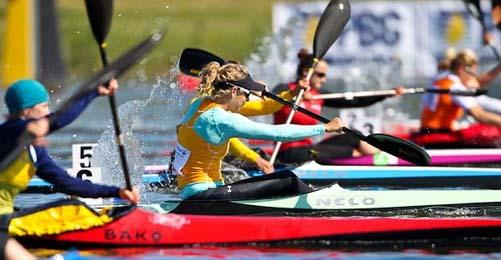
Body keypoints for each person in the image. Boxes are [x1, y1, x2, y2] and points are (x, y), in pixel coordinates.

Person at [173, 62, 344, 200]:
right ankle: (325, 204)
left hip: (197, 190)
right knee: (286, 179)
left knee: (268, 182)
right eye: (247, 94)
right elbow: (278, 133)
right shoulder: (221, 119)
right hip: (203, 195)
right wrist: (325, 128)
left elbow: (180, 130)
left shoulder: (198, 104)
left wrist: (291, 93)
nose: (247, 100)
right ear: (234, 91)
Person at [0, 79, 140, 215]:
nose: (48, 112)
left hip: (4, 217)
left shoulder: (35, 151)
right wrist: (94, 92)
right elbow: (57, 120)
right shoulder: (6, 134)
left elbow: (68, 184)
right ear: (26, 111)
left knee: (72, 207)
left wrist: (117, 192)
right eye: (43, 106)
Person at [271, 49, 401, 164]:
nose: (324, 80)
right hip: (289, 153)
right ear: (306, 72)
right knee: (351, 151)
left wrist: (386, 94)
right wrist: (294, 95)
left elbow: (354, 101)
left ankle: (384, 158)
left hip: (309, 149)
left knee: (354, 135)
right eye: (320, 75)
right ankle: (379, 163)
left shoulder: (318, 95)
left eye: (325, 75)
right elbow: (269, 99)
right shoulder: (284, 89)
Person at [416, 50, 501, 147]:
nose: (473, 77)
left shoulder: (440, 78)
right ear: (462, 69)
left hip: (425, 133)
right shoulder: (456, 88)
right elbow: (479, 115)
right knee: (489, 135)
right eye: (472, 73)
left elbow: (479, 82)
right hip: (438, 139)